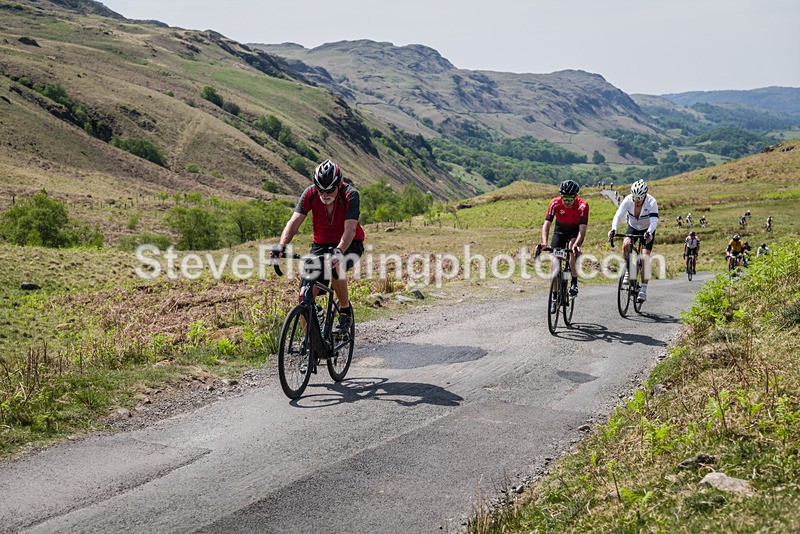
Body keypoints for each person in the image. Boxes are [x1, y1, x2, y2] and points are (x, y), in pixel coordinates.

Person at [272, 159, 365, 333]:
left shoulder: (350, 195)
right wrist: (281, 245)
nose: (325, 194)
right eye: (321, 190)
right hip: (321, 245)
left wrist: (339, 251)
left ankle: (344, 312)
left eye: (329, 190)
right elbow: (294, 222)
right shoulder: (310, 194)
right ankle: (310, 348)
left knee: (337, 265)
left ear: (339, 184)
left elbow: (351, 229)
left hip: (349, 243)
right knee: (303, 296)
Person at [538, 179, 589, 308]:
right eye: (564, 198)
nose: (566, 202)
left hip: (574, 232)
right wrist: (544, 242)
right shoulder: (555, 203)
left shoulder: (583, 205)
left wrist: (577, 245)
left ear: (575, 197)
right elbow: (547, 224)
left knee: (572, 249)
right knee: (553, 261)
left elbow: (582, 231)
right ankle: (554, 296)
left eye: (569, 199)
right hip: (559, 231)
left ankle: (574, 282)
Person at [608, 179, 659, 302]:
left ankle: (644, 289)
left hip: (647, 229)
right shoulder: (628, 200)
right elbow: (618, 215)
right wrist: (614, 229)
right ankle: (628, 269)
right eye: (635, 198)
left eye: (640, 198)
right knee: (626, 244)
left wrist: (649, 232)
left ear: (645, 195)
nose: (637, 201)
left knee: (645, 256)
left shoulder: (651, 202)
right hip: (633, 227)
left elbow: (654, 221)